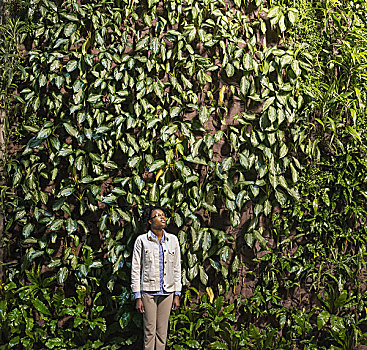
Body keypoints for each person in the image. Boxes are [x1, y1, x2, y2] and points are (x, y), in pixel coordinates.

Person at [131, 205, 182, 350]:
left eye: (163, 215)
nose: (162, 217)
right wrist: (138, 296)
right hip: (148, 291)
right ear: (149, 221)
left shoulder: (173, 240)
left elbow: (177, 268)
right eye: (158, 215)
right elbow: (136, 269)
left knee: (162, 333)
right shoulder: (142, 240)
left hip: (168, 292)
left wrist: (177, 293)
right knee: (149, 332)